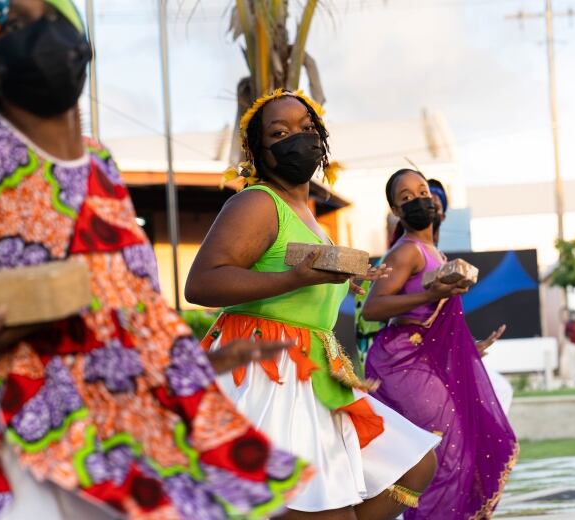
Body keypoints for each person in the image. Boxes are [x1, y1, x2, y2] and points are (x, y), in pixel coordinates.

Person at [0, 1, 311, 518]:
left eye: (49, 18)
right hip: (14, 429)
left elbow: (135, 301)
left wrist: (193, 366)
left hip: (111, 421)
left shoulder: (100, 163)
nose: (42, 35)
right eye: (17, 23)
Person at [185, 90, 440, 519]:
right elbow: (202, 283)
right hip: (270, 372)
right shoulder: (257, 202)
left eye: (307, 128)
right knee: (322, 508)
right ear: (258, 151)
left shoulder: (305, 213)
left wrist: (343, 282)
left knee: (415, 465)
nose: (297, 139)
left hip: (316, 368)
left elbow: (304, 284)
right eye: (280, 132)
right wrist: (294, 278)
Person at [361, 169, 518, 519]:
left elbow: (433, 317)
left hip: (424, 358)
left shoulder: (436, 255)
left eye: (421, 191)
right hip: (403, 358)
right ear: (397, 212)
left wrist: (469, 348)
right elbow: (372, 309)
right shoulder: (407, 252)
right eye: (405, 197)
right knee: (446, 454)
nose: (418, 199)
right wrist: (432, 292)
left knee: (453, 452)